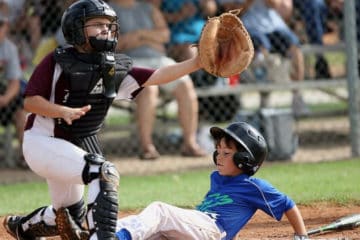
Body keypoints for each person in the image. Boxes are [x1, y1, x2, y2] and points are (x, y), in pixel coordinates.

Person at [2, 0, 204, 239]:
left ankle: (23, 227)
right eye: (97, 24)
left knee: (70, 214)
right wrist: (61, 111)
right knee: (103, 171)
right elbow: (30, 101)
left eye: (109, 25)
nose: (106, 29)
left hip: (73, 147)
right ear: (77, 28)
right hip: (42, 143)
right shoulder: (56, 61)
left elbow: (158, 76)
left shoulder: (112, 67)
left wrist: (197, 62)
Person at [113, 122, 309, 240]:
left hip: (211, 230)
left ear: (244, 161)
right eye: (218, 151)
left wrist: (301, 235)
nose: (219, 156)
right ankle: (102, 232)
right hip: (202, 227)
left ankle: (119, 236)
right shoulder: (218, 179)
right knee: (154, 232)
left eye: (227, 153)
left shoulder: (253, 186)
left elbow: (287, 204)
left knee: (160, 210)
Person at [109, 0, 206, 159]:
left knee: (185, 84)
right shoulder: (108, 11)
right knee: (149, 88)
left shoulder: (148, 8)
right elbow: (113, 44)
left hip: (158, 60)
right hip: (129, 62)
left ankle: (190, 143)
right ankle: (147, 147)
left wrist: (139, 35)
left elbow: (165, 35)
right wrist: (150, 38)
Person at [218, 0, 309, 116]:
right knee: (261, 51)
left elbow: (276, 5)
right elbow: (228, 13)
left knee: (294, 46)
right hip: (249, 26)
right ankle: (265, 100)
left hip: (274, 26)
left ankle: (297, 97)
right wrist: (248, 3)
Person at [0, 6, 26, 168]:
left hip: (4, 97)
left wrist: (5, 99)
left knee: (22, 112)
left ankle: (26, 157)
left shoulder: (9, 48)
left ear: (6, 27)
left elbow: (15, 83)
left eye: (0, 26)